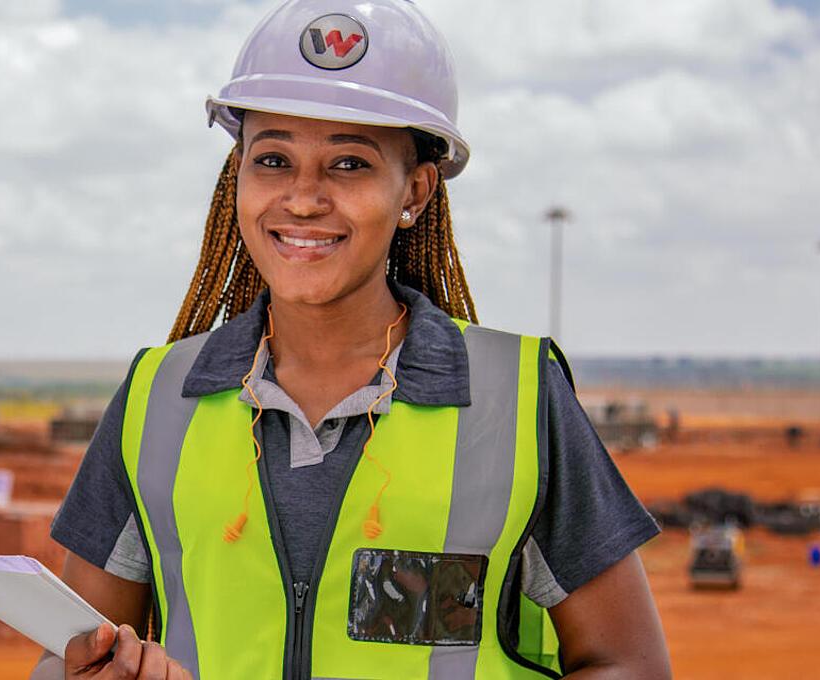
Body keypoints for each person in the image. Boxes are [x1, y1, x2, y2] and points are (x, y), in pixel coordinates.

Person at [35, 2, 669, 678]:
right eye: (274, 159)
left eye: (349, 165)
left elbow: (627, 663)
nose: (304, 200)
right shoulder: (157, 399)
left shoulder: (515, 400)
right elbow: (66, 655)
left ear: (416, 191)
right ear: (237, 177)